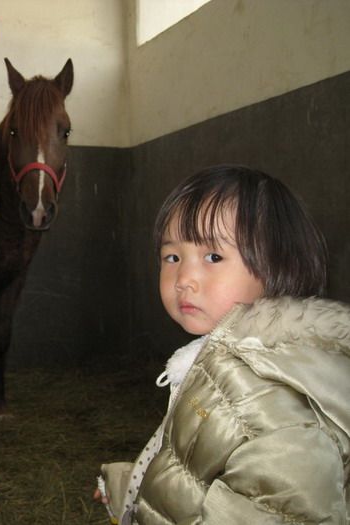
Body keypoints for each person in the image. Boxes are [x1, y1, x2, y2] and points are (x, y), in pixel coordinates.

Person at [96, 165, 350, 524]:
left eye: (213, 257)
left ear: (279, 266)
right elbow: (195, 479)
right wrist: (128, 489)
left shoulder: (273, 407)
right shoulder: (220, 365)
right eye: (172, 257)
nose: (183, 278)